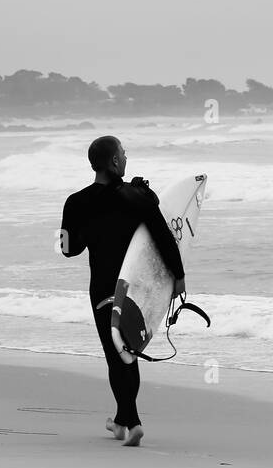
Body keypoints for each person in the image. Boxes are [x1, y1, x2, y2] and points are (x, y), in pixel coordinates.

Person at [60, 136, 184, 447]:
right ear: (115, 162)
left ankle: (131, 421)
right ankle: (124, 420)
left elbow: (68, 249)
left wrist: (90, 228)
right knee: (128, 351)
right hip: (136, 287)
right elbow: (163, 237)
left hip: (103, 287)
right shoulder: (136, 197)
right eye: (124, 154)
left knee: (116, 354)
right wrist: (178, 277)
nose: (126, 159)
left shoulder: (76, 202)